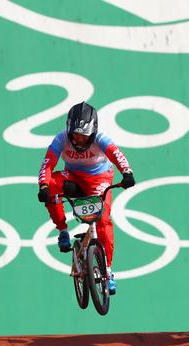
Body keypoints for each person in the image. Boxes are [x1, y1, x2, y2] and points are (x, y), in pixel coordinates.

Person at [37, 101, 135, 295]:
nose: (78, 139)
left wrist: (127, 172)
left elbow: (117, 155)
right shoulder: (61, 139)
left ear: (93, 131)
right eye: (75, 134)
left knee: (104, 220)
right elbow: (48, 164)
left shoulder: (101, 138)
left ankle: (107, 270)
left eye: (84, 135)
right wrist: (44, 185)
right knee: (51, 186)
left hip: (99, 179)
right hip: (73, 178)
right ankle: (63, 230)